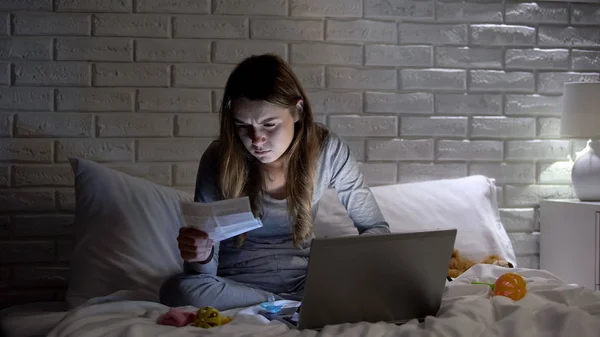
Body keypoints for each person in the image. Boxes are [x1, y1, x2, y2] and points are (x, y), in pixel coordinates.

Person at [160, 54, 390, 311]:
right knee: (181, 290)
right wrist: (201, 254)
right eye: (243, 126)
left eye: (269, 124)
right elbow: (201, 273)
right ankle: (284, 305)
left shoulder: (327, 150)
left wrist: (347, 260)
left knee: (390, 283)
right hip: (237, 286)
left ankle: (297, 302)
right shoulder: (219, 159)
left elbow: (376, 228)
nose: (256, 139)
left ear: (298, 111)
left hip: (307, 279)